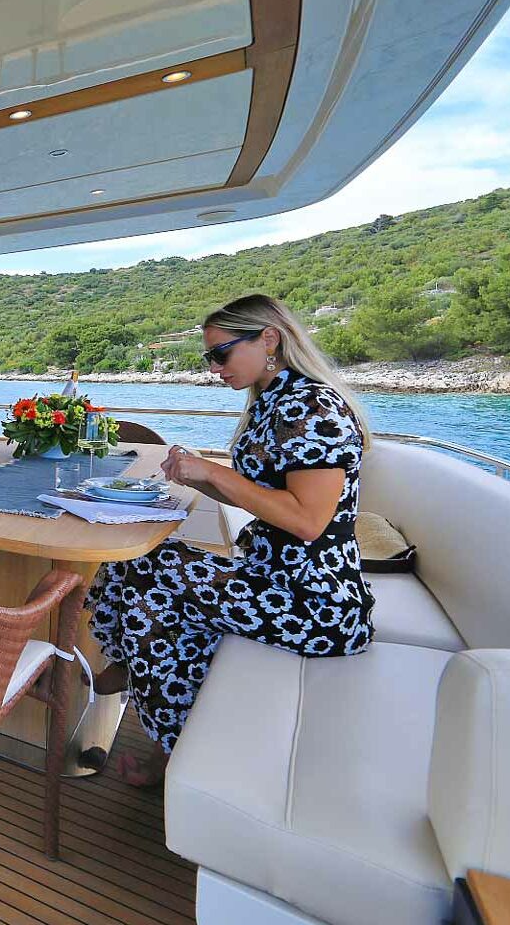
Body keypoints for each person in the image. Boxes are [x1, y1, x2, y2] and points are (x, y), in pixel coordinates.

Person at [86, 294, 375, 786]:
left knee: (152, 586)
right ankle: (129, 669)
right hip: (272, 575)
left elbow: (308, 523)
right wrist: (201, 479)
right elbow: (267, 501)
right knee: (139, 552)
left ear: (269, 338)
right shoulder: (273, 400)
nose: (215, 368)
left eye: (221, 354)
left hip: (313, 602)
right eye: (209, 357)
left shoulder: (313, 407)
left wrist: (217, 474)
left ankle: (171, 753)